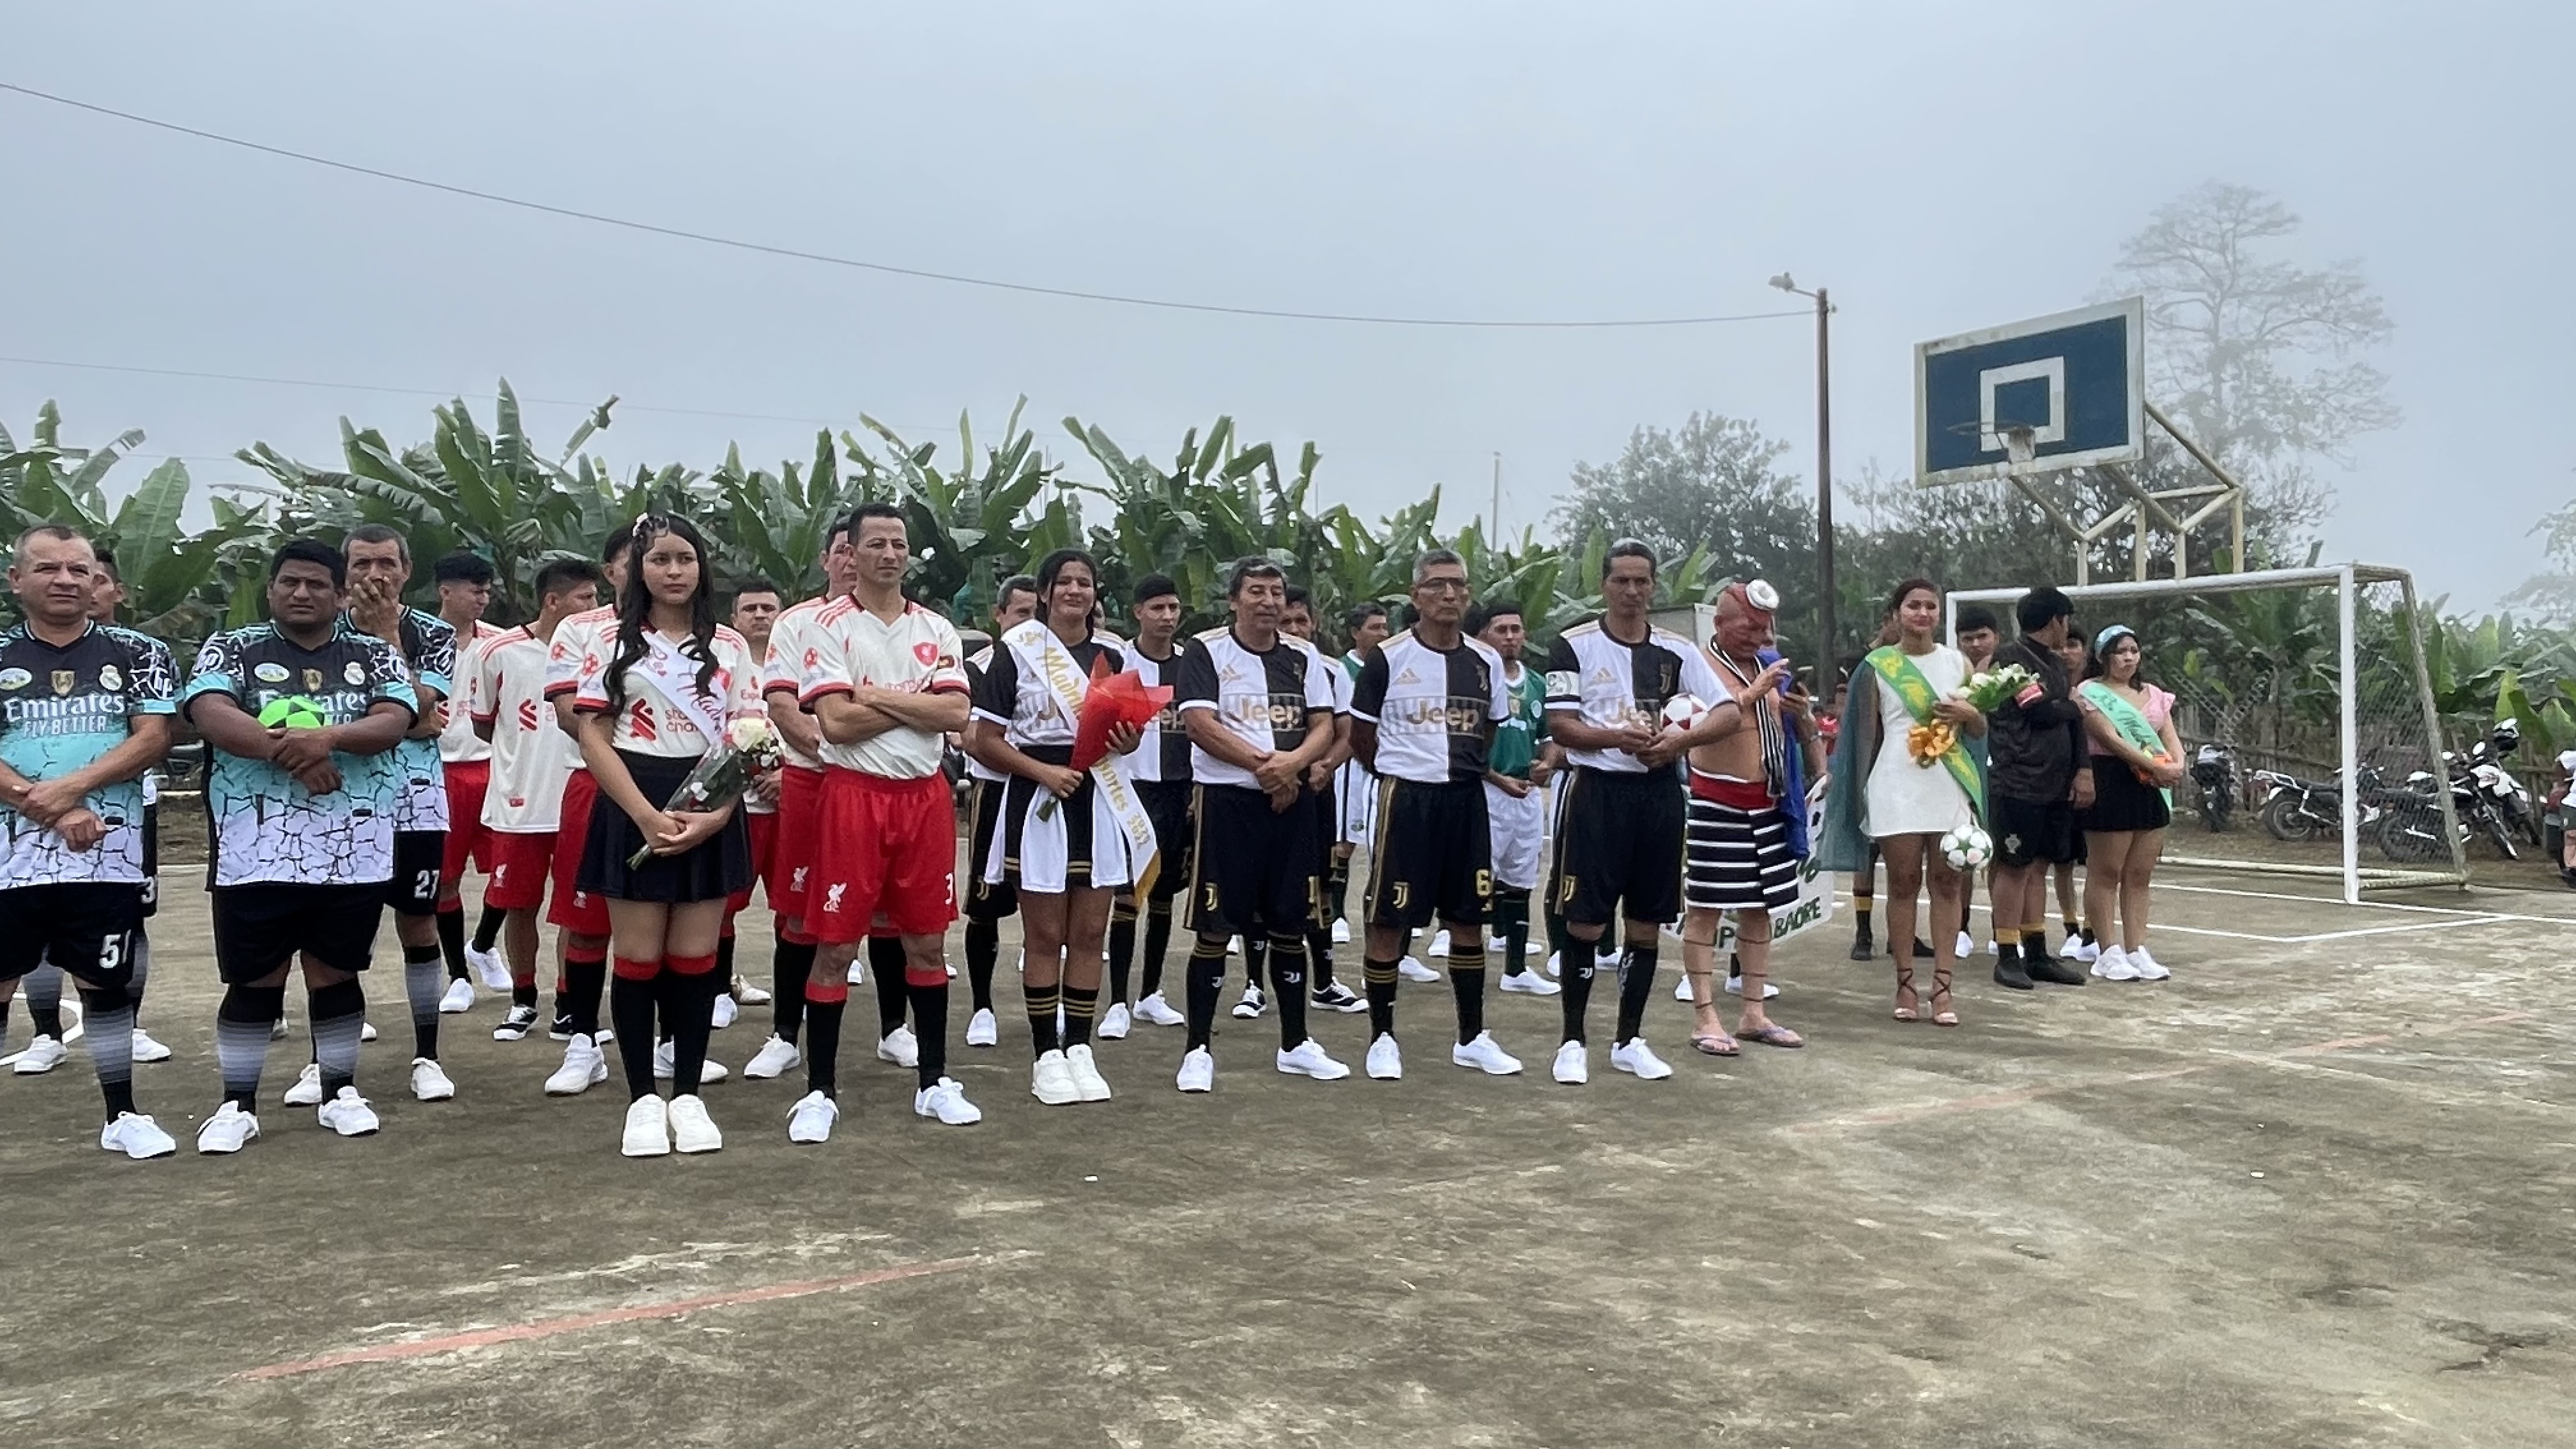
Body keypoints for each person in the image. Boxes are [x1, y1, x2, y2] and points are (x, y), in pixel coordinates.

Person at [184, 539, 418, 1152]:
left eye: (317, 584)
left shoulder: (373, 652)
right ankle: (237, 1104)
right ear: (271, 589)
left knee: (335, 974)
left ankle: (340, 1092)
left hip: (353, 849)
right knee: (255, 980)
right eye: (289, 582)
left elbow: (395, 720)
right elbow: (209, 711)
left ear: (341, 596)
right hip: (253, 849)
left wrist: (328, 738)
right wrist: (295, 753)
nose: (301, 593)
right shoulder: (233, 647)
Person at [569, 514, 760, 1156]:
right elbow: (594, 736)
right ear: (638, 569)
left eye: (685, 559)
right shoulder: (609, 642)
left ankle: (688, 1095)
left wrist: (717, 815)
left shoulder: (729, 646)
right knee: (639, 958)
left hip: (711, 795)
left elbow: (746, 738)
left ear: (702, 567)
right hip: (634, 795)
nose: (674, 571)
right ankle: (642, 1100)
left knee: (696, 959)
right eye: (659, 560)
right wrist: (645, 816)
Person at [795, 503, 981, 1137]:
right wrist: (916, 702)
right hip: (854, 797)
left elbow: (956, 715)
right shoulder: (826, 627)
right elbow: (836, 723)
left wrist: (871, 692)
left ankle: (934, 1081)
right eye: (875, 544)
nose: (889, 554)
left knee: (926, 943)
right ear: (851, 552)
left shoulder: (937, 627)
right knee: (835, 946)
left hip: (924, 800)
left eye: (898, 544)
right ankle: (819, 1092)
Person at [0, 526, 178, 1158]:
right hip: (9, 861)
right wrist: (44, 805)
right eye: (48, 568)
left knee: (105, 985)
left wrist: (71, 790)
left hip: (106, 854)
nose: (66, 580)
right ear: (16, 580)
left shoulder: (140, 652)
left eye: (79, 570)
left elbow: (153, 737)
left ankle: (122, 1114)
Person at [284, 525, 463, 1108]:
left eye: (386, 563)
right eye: (361, 564)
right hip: (338, 800)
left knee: (418, 923)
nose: (374, 575)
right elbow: (308, 718)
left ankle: (428, 1055)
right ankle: (324, 1060)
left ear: (407, 570)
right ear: (345, 572)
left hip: (415, 803)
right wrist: (405, 718)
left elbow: (421, 709)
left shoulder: (433, 634)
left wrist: (387, 636)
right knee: (325, 937)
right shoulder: (317, 630)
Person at [1541, 540, 1731, 1085]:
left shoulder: (1678, 651)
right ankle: (1572, 1040)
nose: (1631, 591)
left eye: (1641, 581)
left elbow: (1727, 714)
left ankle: (1629, 1039)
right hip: (1597, 794)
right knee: (1585, 920)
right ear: (1604, 585)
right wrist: (1615, 738)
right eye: (1621, 580)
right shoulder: (1572, 646)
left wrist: (1677, 743)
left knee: (1646, 923)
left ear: (1653, 586)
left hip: (1658, 796)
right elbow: (1561, 725)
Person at [968, 548, 1149, 1105]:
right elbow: (985, 741)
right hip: (1037, 796)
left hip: (1098, 796)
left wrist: (1129, 740)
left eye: (1085, 583)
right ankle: (1046, 1053)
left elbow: (1129, 736)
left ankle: (1080, 1048)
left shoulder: (1113, 655)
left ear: (1096, 594)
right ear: (1045, 592)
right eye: (1064, 582)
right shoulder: (1014, 652)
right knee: (1046, 935)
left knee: (1091, 933)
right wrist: (1042, 772)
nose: (1075, 591)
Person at [1171, 557, 1346, 1092]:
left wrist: (1292, 766)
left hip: (1292, 806)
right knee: (1215, 926)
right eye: (1256, 591)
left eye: (1276, 592)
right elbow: (1199, 724)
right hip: (1228, 804)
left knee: (1291, 923)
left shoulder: (1302, 655)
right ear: (1234, 600)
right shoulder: (1206, 650)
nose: (1268, 601)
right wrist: (1266, 769)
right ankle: (1198, 1049)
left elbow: (1323, 724)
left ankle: (1295, 1043)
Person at [1350, 550, 1519, 1078]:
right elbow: (1361, 737)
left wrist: (1460, 769)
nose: (1449, 595)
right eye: (1437, 585)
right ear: (1416, 594)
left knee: (1468, 919)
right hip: (1406, 799)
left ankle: (1471, 1036)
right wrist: (1403, 769)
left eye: (1459, 585)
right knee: (1389, 919)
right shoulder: (1387, 658)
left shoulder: (1485, 661)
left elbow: (1487, 730)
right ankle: (1382, 1037)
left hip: (1465, 800)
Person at [1818, 579, 1984, 1027]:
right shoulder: (1877, 666)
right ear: (1897, 613)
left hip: (1948, 780)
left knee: (1947, 882)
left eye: (1931, 606)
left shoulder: (1958, 663)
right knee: (1904, 882)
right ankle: (1906, 984)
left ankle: (1943, 988)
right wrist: (1849, 785)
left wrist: (1971, 715)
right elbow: (1863, 735)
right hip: (1896, 781)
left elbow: (1979, 730)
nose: (1923, 613)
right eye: (1914, 606)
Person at [470, 560, 606, 1092]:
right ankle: (524, 997)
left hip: (576, 800)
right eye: (585, 598)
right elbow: (484, 725)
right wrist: (521, 762)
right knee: (518, 904)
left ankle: (569, 1005)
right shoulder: (499, 652)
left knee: (575, 909)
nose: (595, 608)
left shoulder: (598, 648)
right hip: (519, 804)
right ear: (552, 601)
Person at [1676, 582, 1824, 1053]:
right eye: (1749, 628)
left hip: (1769, 801)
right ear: (1720, 623)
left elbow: (1788, 730)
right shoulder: (1698, 664)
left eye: (1764, 629)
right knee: (1705, 910)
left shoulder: (1766, 664)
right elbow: (1693, 725)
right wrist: (1751, 694)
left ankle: (1753, 1013)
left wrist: (1801, 718)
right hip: (1717, 801)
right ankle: (1705, 1017)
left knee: (1760, 910)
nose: (1759, 637)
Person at [739, 522, 859, 1081]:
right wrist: (831, 750)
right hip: (811, 781)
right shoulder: (797, 622)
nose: (854, 561)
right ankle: (785, 1034)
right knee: (796, 913)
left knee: (887, 916)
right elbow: (783, 704)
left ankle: (895, 1029)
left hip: (880, 787)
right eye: (844, 551)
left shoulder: (914, 625)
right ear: (827, 559)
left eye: (866, 549)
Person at [1983, 588, 2093, 991]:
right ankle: (2007, 954)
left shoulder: (2056, 664)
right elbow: (2040, 711)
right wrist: (2074, 705)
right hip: (2018, 781)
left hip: (2053, 784)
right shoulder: (2010, 659)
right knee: (2013, 867)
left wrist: (2083, 769)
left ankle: (2037, 951)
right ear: (2054, 621)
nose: (2068, 629)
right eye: (2066, 620)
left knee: (2039, 867)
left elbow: (2071, 722)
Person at [958, 576, 1039, 1049]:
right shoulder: (978, 667)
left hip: (1046, 795)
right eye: (1022, 613)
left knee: (1050, 902)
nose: (1030, 622)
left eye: (1037, 613)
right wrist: (1029, 759)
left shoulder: (1060, 663)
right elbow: (972, 739)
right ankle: (982, 1007)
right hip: (996, 791)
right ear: (1000, 615)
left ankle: (1047, 1006)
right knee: (985, 906)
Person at [2076, 625, 2182, 982]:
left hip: (2151, 785)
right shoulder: (2090, 692)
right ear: (2103, 656)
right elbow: (2109, 737)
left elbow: (2169, 736)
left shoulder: (2154, 694)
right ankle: (2107, 950)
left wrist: (2177, 765)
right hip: (2111, 780)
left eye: (2133, 651)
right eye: (2120, 651)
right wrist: (2154, 766)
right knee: (2106, 871)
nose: (2128, 658)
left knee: (2139, 874)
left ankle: (2137, 948)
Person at [1278, 586, 1367, 1014]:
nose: (1295, 629)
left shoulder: (1332, 670)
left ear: (1314, 624)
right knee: (1266, 890)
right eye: (1286, 622)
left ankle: (1326, 982)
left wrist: (1326, 765)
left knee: (1320, 887)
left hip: (1316, 793)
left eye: (1302, 621)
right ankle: (1253, 986)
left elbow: (1349, 732)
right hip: (1267, 790)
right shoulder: (1252, 666)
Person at [1111, 573, 1193, 1030]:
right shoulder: (1120, 661)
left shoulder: (1191, 665)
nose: (1167, 617)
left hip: (1178, 790)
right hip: (1131, 791)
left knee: (1164, 897)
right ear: (1138, 611)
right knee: (1128, 897)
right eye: (1157, 608)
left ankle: (1150, 993)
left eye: (1173, 608)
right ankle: (1117, 1002)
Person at [429, 549, 510, 1011]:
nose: (483, 598)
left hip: (493, 767)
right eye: (475, 591)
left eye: (487, 591)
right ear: (446, 591)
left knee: (509, 872)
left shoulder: (498, 643)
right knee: (447, 878)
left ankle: (481, 944)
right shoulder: (418, 639)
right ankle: (458, 975)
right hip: (441, 769)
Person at [1474, 600, 1560, 998]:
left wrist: (1547, 765)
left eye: (1516, 629)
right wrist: (1497, 777)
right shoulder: (1475, 680)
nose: (1510, 637)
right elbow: (1464, 746)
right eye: (1501, 630)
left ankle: (1516, 969)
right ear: (1483, 636)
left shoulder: (1538, 684)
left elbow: (1550, 737)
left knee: (1521, 881)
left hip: (1526, 795)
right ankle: (1466, 960)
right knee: (1479, 880)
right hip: (1487, 791)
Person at [717, 578, 786, 1023]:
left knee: (792, 906)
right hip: (737, 807)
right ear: (734, 619)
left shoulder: (798, 664)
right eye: (750, 609)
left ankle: (793, 997)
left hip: (790, 805)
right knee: (722, 905)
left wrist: (788, 774)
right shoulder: (720, 667)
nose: (760, 616)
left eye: (768, 608)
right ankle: (719, 990)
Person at [1328, 601, 1392, 946]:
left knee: (1386, 840)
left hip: (1387, 764)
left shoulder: (1392, 664)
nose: (1383, 634)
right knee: (1344, 842)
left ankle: (1388, 911)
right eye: (1374, 628)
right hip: (1351, 765)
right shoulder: (1343, 669)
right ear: (1355, 633)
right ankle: (1337, 914)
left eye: (1385, 627)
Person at [1951, 604, 2001, 957]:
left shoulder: (2012, 672)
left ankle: (2003, 931)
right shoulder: (1950, 673)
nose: (1975, 644)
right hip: (1964, 771)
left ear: (1996, 637)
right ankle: (1960, 928)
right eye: (1967, 639)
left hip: (2007, 774)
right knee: (1963, 851)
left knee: (2001, 857)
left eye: (1982, 637)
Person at [2051, 627, 2096, 962]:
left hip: (2096, 779)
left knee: (2096, 860)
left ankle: (2093, 931)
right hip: (2057, 782)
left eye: (2073, 645)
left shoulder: (2098, 689)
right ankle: (2071, 929)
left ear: (2084, 650)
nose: (2066, 652)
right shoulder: (2048, 687)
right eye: (2061, 646)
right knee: (2062, 861)